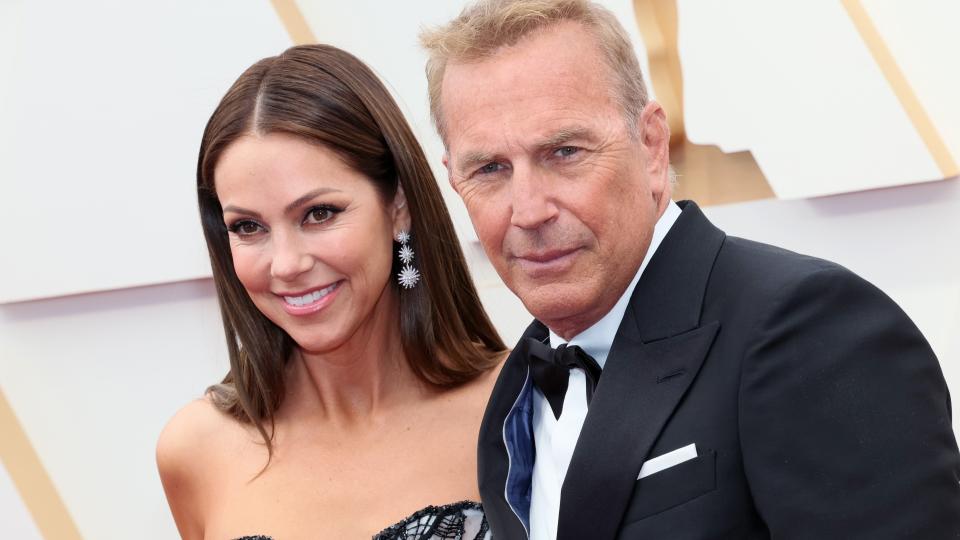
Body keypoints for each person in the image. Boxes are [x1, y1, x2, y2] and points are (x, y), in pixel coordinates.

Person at [421, 0, 960, 538]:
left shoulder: (809, 331)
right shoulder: (515, 387)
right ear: (453, 179)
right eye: (489, 169)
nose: (530, 210)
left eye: (564, 152)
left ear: (652, 145)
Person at [156, 44, 506, 539]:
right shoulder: (197, 449)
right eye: (249, 227)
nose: (287, 264)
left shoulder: (520, 407)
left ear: (398, 206)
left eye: (318, 214)